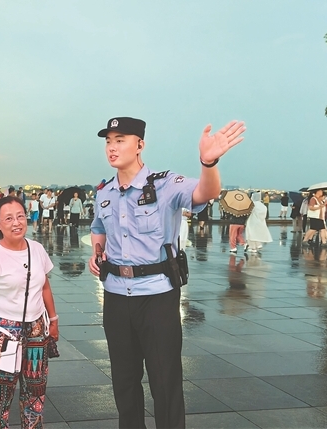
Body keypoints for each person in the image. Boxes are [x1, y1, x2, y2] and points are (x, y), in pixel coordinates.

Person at [88, 116, 245, 428]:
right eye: (108, 141)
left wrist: (208, 162)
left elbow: (205, 193)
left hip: (157, 297)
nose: (112, 147)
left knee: (165, 381)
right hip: (116, 297)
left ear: (140, 145)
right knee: (124, 381)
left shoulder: (165, 184)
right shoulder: (104, 192)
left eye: (120, 140)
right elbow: (98, 227)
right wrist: (97, 251)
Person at [0, 196, 59, 428]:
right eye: (8, 218)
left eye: (20, 216)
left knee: (35, 394)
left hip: (37, 328)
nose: (16, 222)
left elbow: (45, 286)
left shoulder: (37, 249)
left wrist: (53, 319)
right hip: (3, 332)